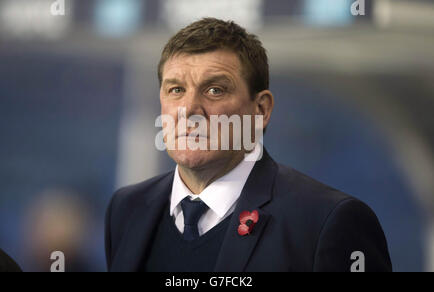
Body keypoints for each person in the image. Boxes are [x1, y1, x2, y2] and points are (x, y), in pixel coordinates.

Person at [105, 18, 392, 272]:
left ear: (261, 110)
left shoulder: (329, 222)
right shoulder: (126, 209)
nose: (189, 108)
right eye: (176, 90)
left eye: (215, 90)